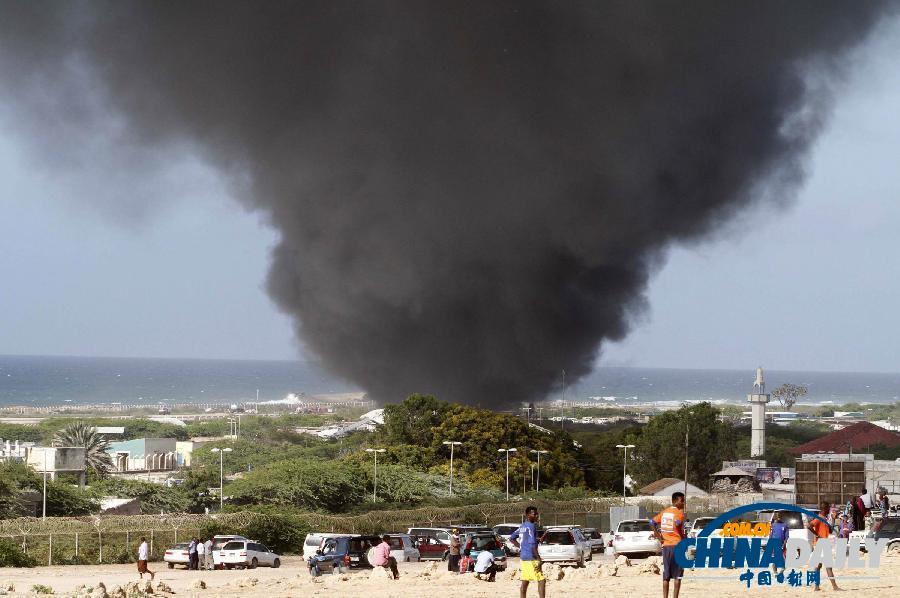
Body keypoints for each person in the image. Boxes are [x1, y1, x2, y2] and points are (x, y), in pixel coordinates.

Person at [650, 491, 687, 598]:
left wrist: (659, 537)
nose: (683, 503)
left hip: (666, 547)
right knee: (678, 576)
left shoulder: (664, 512)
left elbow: (652, 522)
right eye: (682, 501)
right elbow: (679, 526)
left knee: (666, 576)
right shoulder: (679, 513)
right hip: (677, 546)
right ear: (675, 501)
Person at [510, 505, 545, 598]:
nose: (537, 515)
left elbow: (512, 538)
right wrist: (538, 558)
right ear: (528, 515)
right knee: (541, 580)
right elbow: (532, 544)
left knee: (525, 580)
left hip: (523, 557)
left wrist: (521, 547)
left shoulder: (522, 526)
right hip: (531, 557)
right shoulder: (531, 526)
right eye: (535, 514)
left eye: (537, 514)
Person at [809, 502, 840, 592]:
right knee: (828, 566)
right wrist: (817, 535)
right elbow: (809, 526)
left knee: (818, 566)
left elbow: (830, 530)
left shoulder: (824, 519)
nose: (829, 510)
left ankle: (816, 587)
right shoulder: (819, 518)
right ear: (825, 509)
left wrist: (833, 520)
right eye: (828, 508)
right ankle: (834, 587)